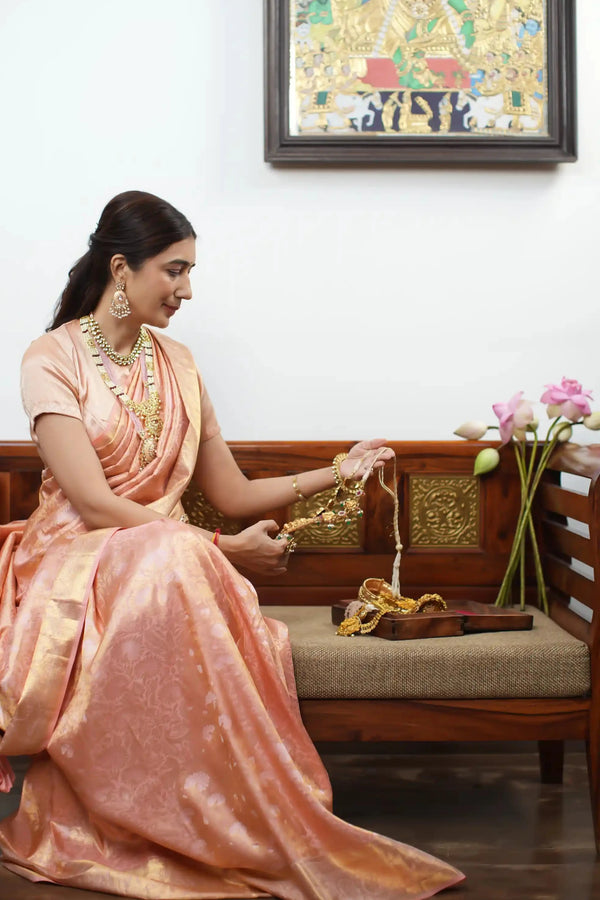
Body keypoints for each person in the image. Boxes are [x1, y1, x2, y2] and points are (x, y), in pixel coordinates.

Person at [0, 191, 464, 898]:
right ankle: (153, 820)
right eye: (174, 270)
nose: (187, 290)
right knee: (176, 556)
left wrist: (339, 469)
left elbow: (234, 493)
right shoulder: (51, 358)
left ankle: (217, 819)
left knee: (172, 557)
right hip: (74, 556)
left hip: (159, 560)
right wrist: (219, 548)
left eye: (190, 272)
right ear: (120, 270)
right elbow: (92, 503)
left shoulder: (179, 365)